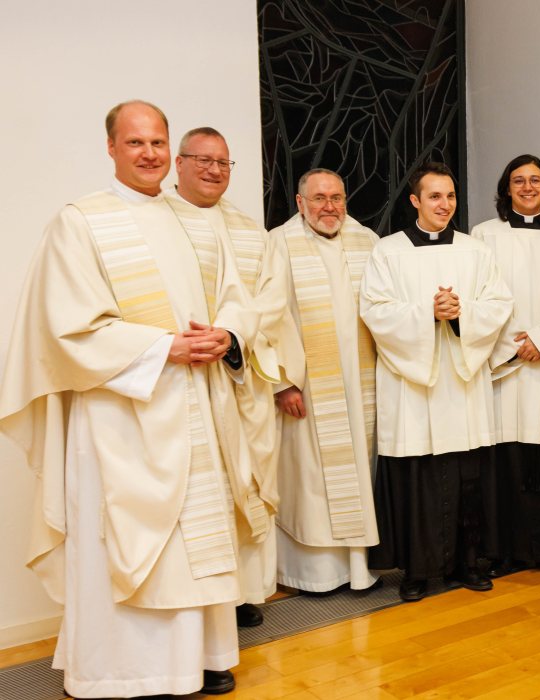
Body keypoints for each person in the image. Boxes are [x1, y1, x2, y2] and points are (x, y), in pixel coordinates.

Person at [0, 100, 245, 697]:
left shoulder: (194, 218)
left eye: (158, 142)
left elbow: (237, 293)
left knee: (196, 538)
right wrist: (164, 349)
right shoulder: (81, 222)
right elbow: (65, 330)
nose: (150, 154)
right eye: (136, 143)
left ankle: (200, 658)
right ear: (111, 148)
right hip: (120, 415)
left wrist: (228, 333)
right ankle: (116, 671)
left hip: (192, 404)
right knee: (122, 542)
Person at [361, 162, 514, 602]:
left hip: (461, 384)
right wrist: (426, 313)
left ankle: (471, 563)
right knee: (418, 476)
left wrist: (462, 311)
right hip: (414, 387)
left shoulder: (475, 251)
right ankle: (417, 570)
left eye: (449, 196)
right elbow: (374, 310)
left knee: (468, 476)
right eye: (434, 196)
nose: (443, 204)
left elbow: (499, 302)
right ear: (414, 201)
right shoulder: (387, 252)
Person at [166, 126, 286, 630]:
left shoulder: (248, 230)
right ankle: (197, 596)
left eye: (224, 162)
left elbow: (272, 299)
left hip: (240, 380)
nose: (214, 170)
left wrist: (232, 337)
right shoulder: (157, 219)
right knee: (197, 489)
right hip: (181, 381)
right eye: (203, 160)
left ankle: (242, 593)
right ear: (180, 163)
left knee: (244, 482)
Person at [268, 168, 382, 596]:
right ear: (300, 203)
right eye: (318, 199)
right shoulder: (279, 245)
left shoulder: (366, 241)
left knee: (357, 468)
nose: (329, 207)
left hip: (361, 383)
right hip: (309, 389)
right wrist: (284, 382)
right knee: (310, 477)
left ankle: (359, 567)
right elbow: (270, 318)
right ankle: (313, 573)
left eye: (336, 197)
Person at [473, 155, 540, 576]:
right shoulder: (483, 236)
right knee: (503, 461)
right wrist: (511, 346)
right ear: (506, 189)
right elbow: (479, 297)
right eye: (518, 181)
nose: (527, 188)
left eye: (535, 181)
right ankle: (502, 551)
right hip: (503, 363)